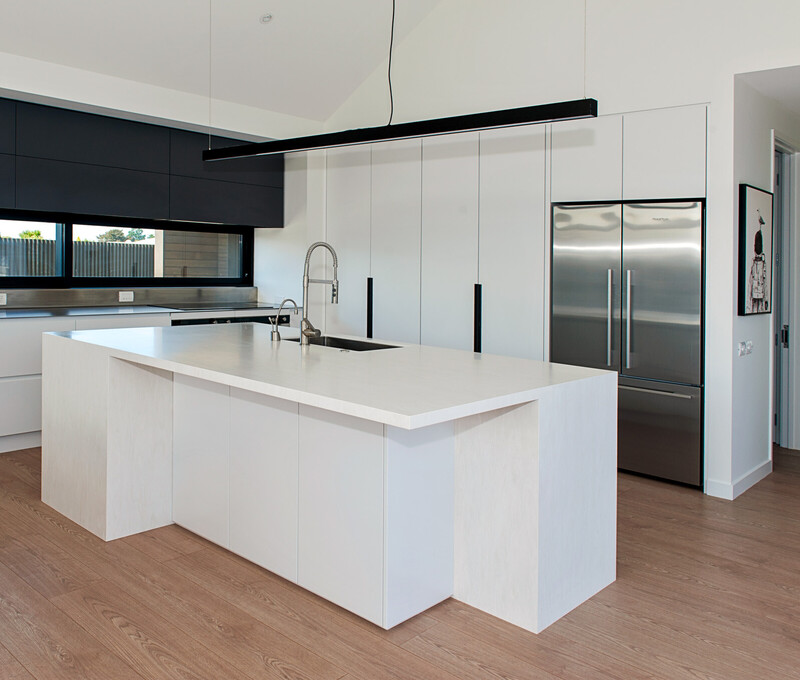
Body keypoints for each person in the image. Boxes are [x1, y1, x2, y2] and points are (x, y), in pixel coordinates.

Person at [748, 211, 768, 313]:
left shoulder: (762, 264)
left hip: (759, 291)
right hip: (756, 291)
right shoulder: (755, 263)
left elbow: (764, 279)